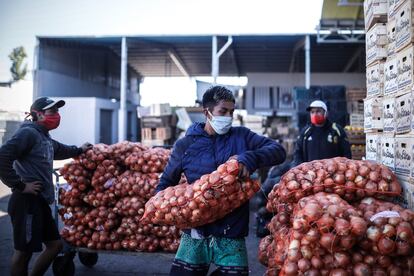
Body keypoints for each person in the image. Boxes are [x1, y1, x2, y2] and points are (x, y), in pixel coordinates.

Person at [156, 86, 286, 276]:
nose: (228, 116)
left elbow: (278, 151)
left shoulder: (242, 136)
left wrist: (248, 159)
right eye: (223, 111)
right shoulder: (186, 145)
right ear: (206, 112)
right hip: (196, 231)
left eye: (231, 112)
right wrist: (158, 206)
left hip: (231, 231)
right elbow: (166, 182)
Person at [0, 97, 93, 276]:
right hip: (26, 202)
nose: (57, 116)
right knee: (23, 253)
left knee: (55, 245)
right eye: (52, 112)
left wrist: (80, 149)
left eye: (57, 112)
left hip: (40, 202)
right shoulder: (28, 133)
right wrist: (20, 185)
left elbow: (59, 149)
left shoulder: (43, 136)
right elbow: (3, 157)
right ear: (38, 115)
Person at [293, 100, 351, 165]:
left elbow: (347, 153)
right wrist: (300, 167)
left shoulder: (336, 130)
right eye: (312, 112)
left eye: (318, 111)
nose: (315, 114)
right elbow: (298, 153)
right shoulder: (306, 132)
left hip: (332, 172)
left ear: (325, 113)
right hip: (311, 173)